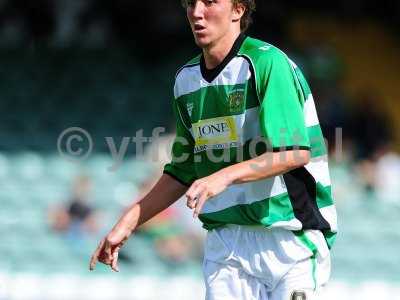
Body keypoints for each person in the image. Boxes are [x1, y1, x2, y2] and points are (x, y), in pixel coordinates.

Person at [89, 1, 337, 299]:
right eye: (190, 3)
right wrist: (127, 223)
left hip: (288, 238)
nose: (196, 12)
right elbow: (182, 170)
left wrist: (222, 177)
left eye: (209, 2)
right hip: (226, 244)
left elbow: (294, 152)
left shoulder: (266, 63)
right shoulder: (186, 80)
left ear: (238, 9)